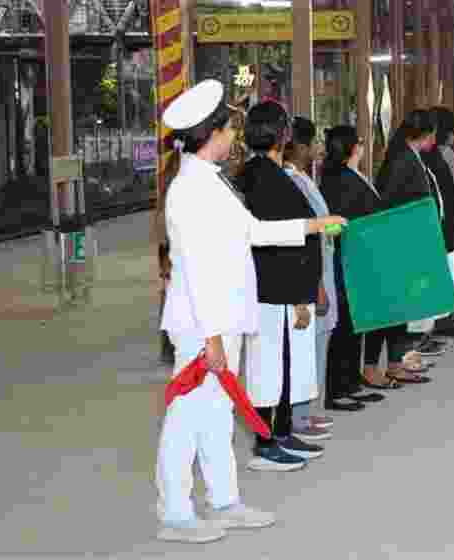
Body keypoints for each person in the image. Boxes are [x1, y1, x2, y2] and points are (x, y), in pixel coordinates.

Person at [155, 79, 346, 543]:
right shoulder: (190, 190)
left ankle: (224, 501)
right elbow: (196, 269)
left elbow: (253, 232)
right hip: (205, 326)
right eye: (228, 131)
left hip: (224, 320)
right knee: (187, 420)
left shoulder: (209, 182)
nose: (233, 139)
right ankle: (175, 513)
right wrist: (212, 338)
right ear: (212, 135)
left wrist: (312, 224)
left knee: (217, 417)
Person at [240, 101, 332, 471]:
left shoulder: (266, 174)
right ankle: (265, 442)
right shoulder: (264, 178)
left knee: (284, 366)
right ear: (283, 135)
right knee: (268, 368)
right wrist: (299, 295)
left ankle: (280, 433)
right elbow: (275, 240)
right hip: (273, 291)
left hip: (283, 289)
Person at [319, 125, 396, 408]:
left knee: (354, 323)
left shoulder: (349, 175)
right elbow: (350, 219)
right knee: (344, 326)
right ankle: (338, 389)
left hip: (359, 260)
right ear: (351, 148)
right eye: (360, 142)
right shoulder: (339, 179)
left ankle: (350, 382)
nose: (363, 146)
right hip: (347, 260)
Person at [364, 110, 443, 382]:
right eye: (432, 133)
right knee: (390, 308)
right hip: (396, 242)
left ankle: (395, 362)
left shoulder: (410, 156)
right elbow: (387, 201)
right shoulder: (402, 159)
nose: (434, 139)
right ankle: (378, 365)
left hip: (406, 241)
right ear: (422, 134)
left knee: (400, 307)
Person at [283, 116, 338, 434]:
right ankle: (299, 416)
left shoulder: (303, 179)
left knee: (317, 343)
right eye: (314, 143)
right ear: (300, 147)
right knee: (307, 346)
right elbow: (309, 231)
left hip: (322, 267)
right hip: (313, 275)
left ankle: (306, 411)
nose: (319, 148)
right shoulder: (293, 182)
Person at [427, 107, 454, 338]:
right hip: (451, 226)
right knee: (451, 273)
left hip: (449, 224)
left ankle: (444, 320)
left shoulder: (437, 155)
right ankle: (446, 321)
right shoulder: (446, 156)